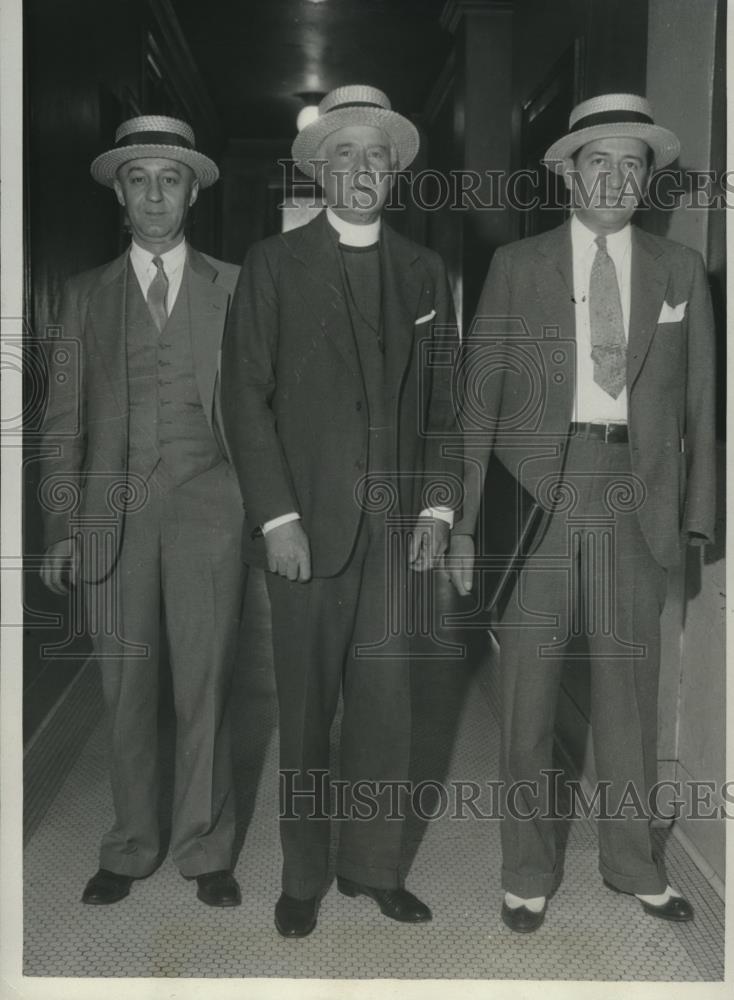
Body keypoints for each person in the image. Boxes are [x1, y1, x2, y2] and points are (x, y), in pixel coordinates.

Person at [448, 94, 715, 932]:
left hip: (638, 504)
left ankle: (633, 863)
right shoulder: (518, 266)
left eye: (631, 164)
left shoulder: (678, 274)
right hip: (541, 497)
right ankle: (525, 871)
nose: (614, 177)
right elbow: (477, 401)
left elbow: (704, 406)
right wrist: (457, 521)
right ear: (567, 172)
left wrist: (695, 523)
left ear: (647, 181)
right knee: (527, 700)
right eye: (597, 160)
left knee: (630, 699)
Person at [222, 84, 459, 937]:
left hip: (398, 535)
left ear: (394, 173)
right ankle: (304, 875)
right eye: (345, 154)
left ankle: (374, 868)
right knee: (306, 711)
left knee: (389, 711)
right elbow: (243, 399)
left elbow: (442, 401)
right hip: (307, 530)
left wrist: (438, 506)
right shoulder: (272, 265)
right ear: (321, 170)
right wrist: (277, 517)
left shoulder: (424, 272)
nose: (362, 170)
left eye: (377, 156)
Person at [39, 116, 246, 908]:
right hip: (109, 513)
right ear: (119, 197)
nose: (155, 193)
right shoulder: (85, 294)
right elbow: (62, 422)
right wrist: (60, 526)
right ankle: (129, 845)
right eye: (138, 179)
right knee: (126, 684)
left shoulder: (233, 285)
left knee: (207, 682)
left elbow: (257, 412)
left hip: (210, 507)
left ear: (192, 191)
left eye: (170, 178)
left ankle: (205, 846)